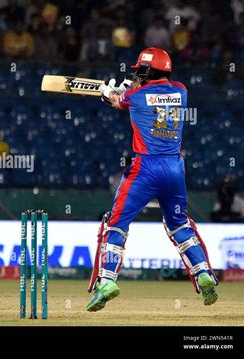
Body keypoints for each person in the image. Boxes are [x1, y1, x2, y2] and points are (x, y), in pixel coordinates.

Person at [87, 47, 219, 312]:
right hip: (174, 168)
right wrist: (128, 89)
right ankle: (203, 273)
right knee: (179, 224)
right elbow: (145, 94)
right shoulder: (181, 91)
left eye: (141, 71)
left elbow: (118, 101)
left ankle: (107, 281)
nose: (137, 75)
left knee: (116, 223)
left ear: (149, 71)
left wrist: (108, 92)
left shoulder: (135, 95)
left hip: (145, 168)